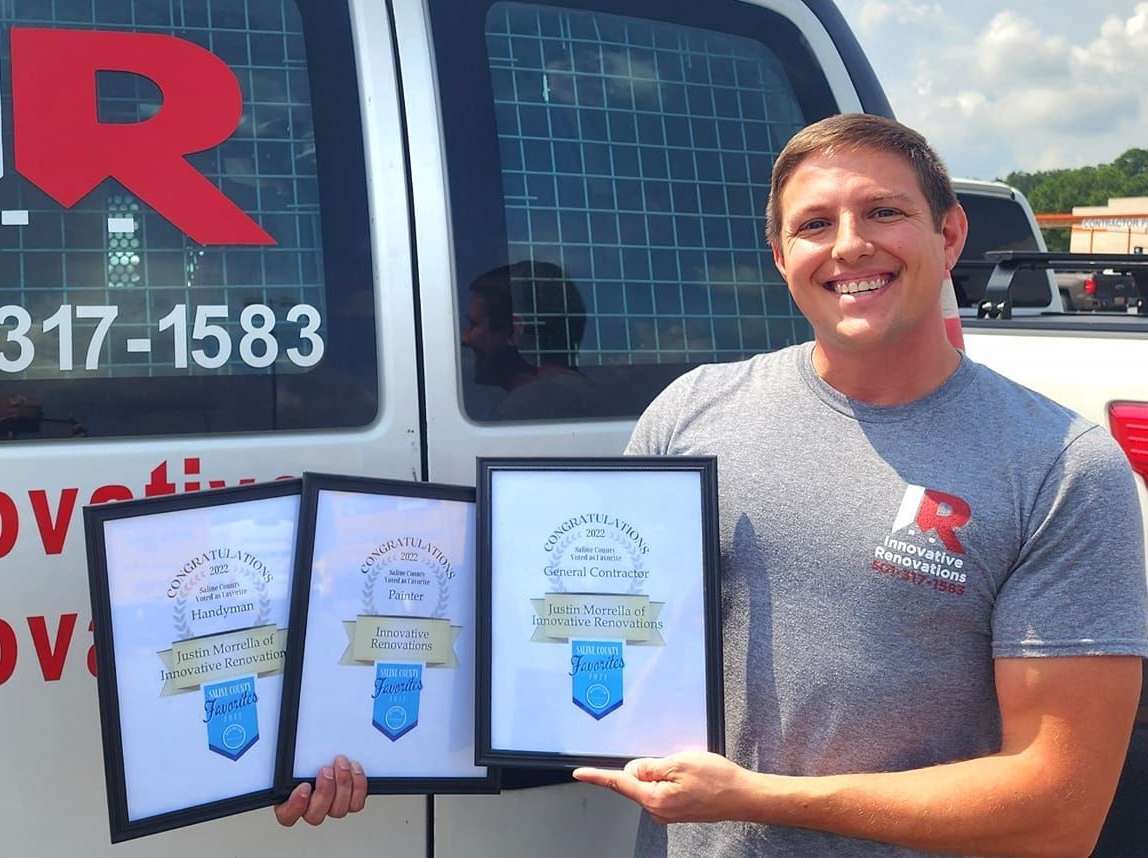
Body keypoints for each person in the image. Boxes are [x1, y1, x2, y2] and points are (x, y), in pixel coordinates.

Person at [570, 113, 1148, 856]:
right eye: (815, 224)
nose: (849, 244)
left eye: (884, 211)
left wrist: (759, 798)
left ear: (949, 236)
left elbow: (1057, 810)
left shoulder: (1060, 467)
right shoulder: (689, 415)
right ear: (781, 256)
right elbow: (584, 623)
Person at [461, 260, 601, 420]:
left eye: (474, 324)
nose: (464, 338)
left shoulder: (520, 411)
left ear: (514, 331)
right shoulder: (596, 397)